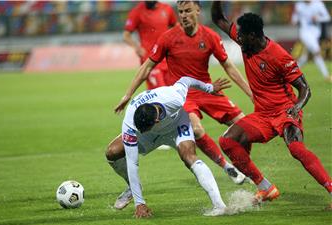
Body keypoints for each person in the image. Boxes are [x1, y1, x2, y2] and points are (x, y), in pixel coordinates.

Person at [115, 1, 253, 201]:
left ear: (198, 10)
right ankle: (226, 165)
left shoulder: (210, 36)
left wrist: (249, 92)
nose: (184, 15)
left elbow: (229, 67)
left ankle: (243, 166)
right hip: (182, 94)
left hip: (206, 88)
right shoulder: (167, 37)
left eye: (188, 11)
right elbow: (145, 66)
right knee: (196, 130)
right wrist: (128, 94)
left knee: (246, 126)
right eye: (180, 12)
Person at [211, 1, 332, 206]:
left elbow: (305, 89)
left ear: (253, 36)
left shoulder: (279, 56)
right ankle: (265, 187)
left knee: (296, 149)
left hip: (285, 111)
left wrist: (296, 108)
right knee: (227, 141)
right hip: (263, 116)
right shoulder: (245, 42)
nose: (237, 37)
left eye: (242, 35)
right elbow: (218, 19)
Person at [106, 76, 232, 218]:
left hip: (176, 124)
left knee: (189, 156)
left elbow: (186, 80)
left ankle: (219, 205)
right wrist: (139, 203)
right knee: (112, 152)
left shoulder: (174, 97)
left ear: (157, 120)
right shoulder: (130, 122)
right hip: (148, 135)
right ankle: (132, 187)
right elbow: (132, 162)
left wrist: (209, 88)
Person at [123, 1, 177, 90]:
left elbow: (176, 27)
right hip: (150, 60)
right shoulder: (137, 12)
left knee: (171, 93)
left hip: (167, 59)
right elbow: (126, 35)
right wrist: (137, 47)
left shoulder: (167, 9)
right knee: (159, 93)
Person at [291, 0, 332, 83]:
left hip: (316, 32)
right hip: (304, 32)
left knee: (305, 57)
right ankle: (327, 76)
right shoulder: (299, 5)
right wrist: (294, 18)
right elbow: (294, 18)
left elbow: (327, 17)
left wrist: (318, 18)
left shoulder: (318, 3)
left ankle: (290, 72)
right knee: (316, 50)